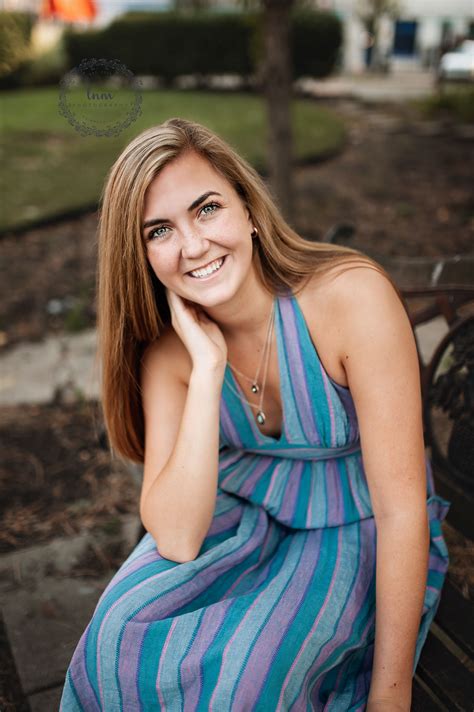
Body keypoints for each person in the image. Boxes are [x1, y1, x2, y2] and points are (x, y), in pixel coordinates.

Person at [60, 117, 450, 711]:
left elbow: (402, 509)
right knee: (111, 643)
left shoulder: (351, 300)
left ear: (247, 207)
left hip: (357, 524)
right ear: (138, 254)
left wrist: (390, 694)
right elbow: (179, 534)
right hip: (240, 516)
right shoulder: (171, 354)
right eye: (159, 230)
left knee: (245, 681)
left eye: (207, 209)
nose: (192, 246)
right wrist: (208, 365)